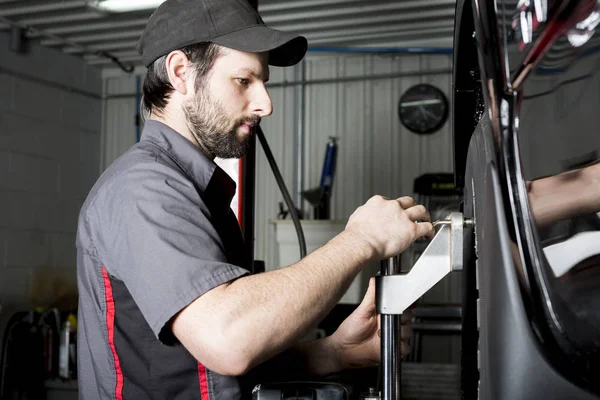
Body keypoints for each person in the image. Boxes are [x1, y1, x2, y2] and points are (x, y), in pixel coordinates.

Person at [75, 0, 434, 399]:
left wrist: (334, 352)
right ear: (181, 73)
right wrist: (360, 240)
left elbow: (205, 367)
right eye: (244, 81)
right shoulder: (142, 189)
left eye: (263, 82)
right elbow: (228, 339)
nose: (265, 104)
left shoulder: (192, 190)